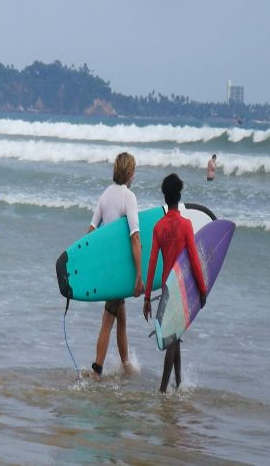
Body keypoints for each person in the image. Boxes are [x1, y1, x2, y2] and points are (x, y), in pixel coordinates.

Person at [143, 174, 207, 393]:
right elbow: (195, 260)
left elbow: (151, 264)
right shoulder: (186, 225)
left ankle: (178, 383)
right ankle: (163, 390)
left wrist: (146, 299)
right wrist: (202, 288)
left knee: (175, 336)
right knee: (173, 339)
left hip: (166, 289)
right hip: (180, 289)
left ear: (165, 196)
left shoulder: (159, 227)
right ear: (179, 197)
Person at [89, 152, 144, 378]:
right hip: (120, 271)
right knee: (108, 319)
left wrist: (92, 265)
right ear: (130, 173)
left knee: (120, 318)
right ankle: (97, 370)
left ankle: (125, 365)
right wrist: (139, 274)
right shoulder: (128, 197)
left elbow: (91, 232)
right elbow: (135, 237)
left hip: (108, 268)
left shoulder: (105, 195)